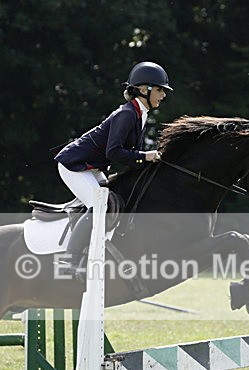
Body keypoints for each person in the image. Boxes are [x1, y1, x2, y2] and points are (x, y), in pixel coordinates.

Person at [54, 61, 172, 276]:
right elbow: (114, 152)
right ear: (144, 90)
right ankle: (68, 262)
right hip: (75, 165)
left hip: (91, 167)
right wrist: (145, 156)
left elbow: (128, 154)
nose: (163, 95)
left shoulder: (139, 114)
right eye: (160, 89)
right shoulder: (127, 114)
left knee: (116, 202)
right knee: (100, 207)